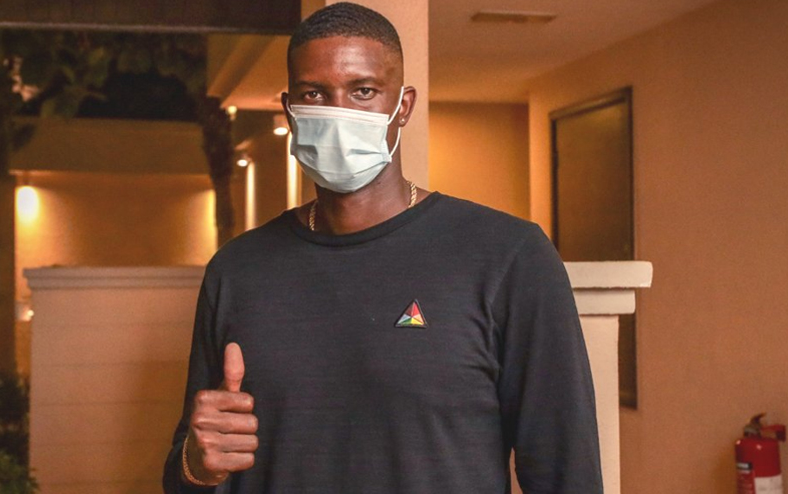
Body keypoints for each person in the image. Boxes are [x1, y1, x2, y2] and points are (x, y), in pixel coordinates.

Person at [163, 3, 603, 493]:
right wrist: (197, 465)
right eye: (315, 94)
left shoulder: (509, 257)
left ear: (403, 106)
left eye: (363, 91)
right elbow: (191, 468)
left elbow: (567, 474)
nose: (339, 113)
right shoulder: (237, 270)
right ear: (291, 109)